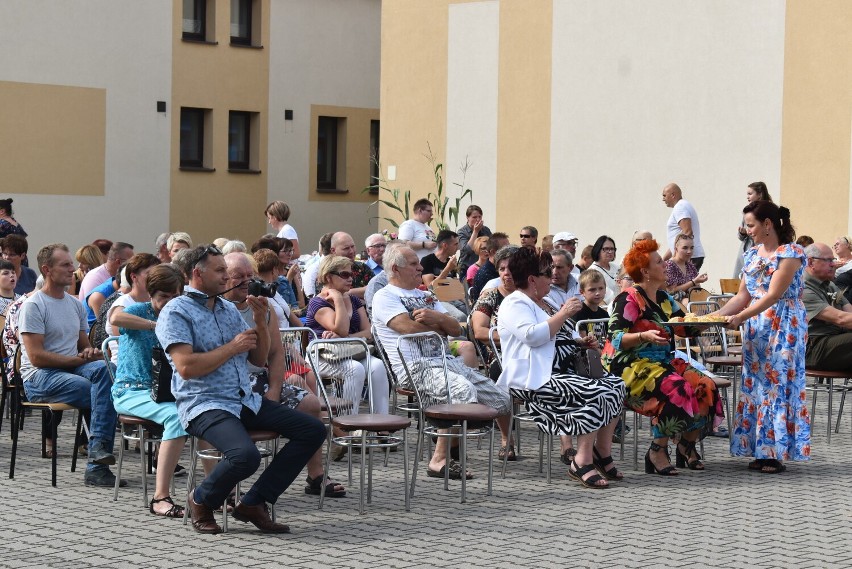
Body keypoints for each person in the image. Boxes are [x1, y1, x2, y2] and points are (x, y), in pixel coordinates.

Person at [157, 244, 325, 534]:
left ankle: (254, 502)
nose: (226, 277)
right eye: (220, 270)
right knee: (245, 456)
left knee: (313, 429)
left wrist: (260, 323)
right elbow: (185, 367)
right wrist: (231, 347)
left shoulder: (226, 308)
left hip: (243, 399)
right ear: (198, 273)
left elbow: (257, 360)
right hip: (204, 403)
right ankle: (201, 499)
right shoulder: (176, 311)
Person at [371, 245, 513, 477]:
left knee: (501, 400)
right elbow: (408, 329)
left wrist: (436, 317)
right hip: (414, 366)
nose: (420, 267)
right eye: (414, 264)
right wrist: (439, 327)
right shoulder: (384, 296)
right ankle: (439, 460)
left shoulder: (424, 295)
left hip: (446, 362)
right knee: (461, 392)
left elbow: (456, 328)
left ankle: (453, 441)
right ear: (396, 268)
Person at [497, 247, 625, 488]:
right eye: (548, 272)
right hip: (533, 378)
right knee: (596, 391)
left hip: (559, 372)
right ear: (532, 279)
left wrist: (579, 341)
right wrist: (564, 314)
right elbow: (532, 336)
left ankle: (601, 453)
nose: (553, 276)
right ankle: (582, 461)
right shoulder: (514, 303)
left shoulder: (543, 302)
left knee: (615, 384)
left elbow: (557, 336)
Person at [223, 252, 345, 498]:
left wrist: (274, 390)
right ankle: (226, 486)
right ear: (224, 279)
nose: (247, 281)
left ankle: (315, 474)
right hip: (227, 385)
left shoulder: (262, 306)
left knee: (310, 403)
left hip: (260, 379)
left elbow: (276, 354)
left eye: (251, 275)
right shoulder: (217, 309)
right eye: (240, 277)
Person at [603, 239, 723, 476]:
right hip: (630, 365)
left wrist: (713, 319)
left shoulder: (665, 298)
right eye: (659, 262)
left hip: (663, 361)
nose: (665, 264)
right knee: (676, 387)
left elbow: (685, 329)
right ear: (646, 272)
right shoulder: (628, 298)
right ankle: (656, 450)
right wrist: (643, 336)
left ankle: (685, 445)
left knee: (705, 385)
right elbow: (615, 339)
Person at [716, 201, 809, 473]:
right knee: (755, 384)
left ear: (768, 224)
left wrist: (741, 317)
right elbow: (743, 296)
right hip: (757, 326)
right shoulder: (752, 254)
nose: (748, 230)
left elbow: (773, 295)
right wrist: (715, 317)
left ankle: (775, 452)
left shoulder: (790, 253)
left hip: (784, 324)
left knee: (778, 384)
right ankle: (758, 449)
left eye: (751, 225)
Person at [19, 243, 122, 487]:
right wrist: (76, 360)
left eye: (71, 264)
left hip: (70, 369)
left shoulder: (75, 304)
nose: (72, 269)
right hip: (40, 376)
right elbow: (36, 357)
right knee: (100, 391)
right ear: (47, 269)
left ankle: (96, 453)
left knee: (108, 370)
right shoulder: (34, 305)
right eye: (65, 265)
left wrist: (90, 352)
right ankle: (97, 462)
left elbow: (81, 346)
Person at [111, 264, 187, 517]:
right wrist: (155, 325)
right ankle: (160, 497)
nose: (169, 302)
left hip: (167, 390)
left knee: (204, 411)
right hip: (132, 391)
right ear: (152, 295)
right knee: (176, 416)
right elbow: (115, 319)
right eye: (163, 297)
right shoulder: (138, 310)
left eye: (174, 296)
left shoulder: (181, 316)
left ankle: (216, 492)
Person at [305, 255, 389, 417]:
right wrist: (337, 299)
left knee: (378, 366)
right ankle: (348, 424)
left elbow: (368, 332)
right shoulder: (317, 302)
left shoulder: (353, 300)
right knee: (355, 370)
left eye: (352, 275)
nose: (350, 279)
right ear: (328, 277)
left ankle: (381, 424)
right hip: (322, 355)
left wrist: (346, 337)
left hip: (351, 351)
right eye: (344, 275)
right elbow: (341, 328)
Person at [801, 242, 852, 371]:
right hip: (814, 347)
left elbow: (848, 311)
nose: (833, 264)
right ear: (811, 262)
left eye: (833, 260)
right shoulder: (802, 289)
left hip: (834, 341)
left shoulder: (829, 284)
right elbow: (841, 319)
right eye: (828, 260)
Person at [470, 246, 518, 377]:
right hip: (500, 354)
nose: (506, 273)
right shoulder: (490, 296)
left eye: (511, 268)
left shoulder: (531, 295)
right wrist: (520, 340)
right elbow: (480, 332)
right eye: (502, 269)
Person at [662, 183, 705, 270]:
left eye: (664, 195)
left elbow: (687, 232)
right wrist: (664, 259)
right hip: (688, 256)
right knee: (689, 282)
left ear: (673, 195)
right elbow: (679, 240)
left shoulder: (680, 207)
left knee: (684, 283)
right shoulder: (682, 205)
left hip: (687, 257)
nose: (663, 199)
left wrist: (676, 257)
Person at [735, 182, 773, 277]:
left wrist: (750, 232)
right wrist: (742, 233)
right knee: (742, 278)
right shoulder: (747, 211)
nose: (747, 197)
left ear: (759, 194)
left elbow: (769, 232)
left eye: (750, 194)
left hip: (760, 251)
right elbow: (740, 236)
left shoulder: (768, 210)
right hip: (746, 249)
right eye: (747, 194)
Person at [328, 232, 372, 298]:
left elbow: (375, 288)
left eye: (352, 246)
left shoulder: (362, 268)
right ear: (333, 250)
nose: (351, 251)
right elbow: (327, 295)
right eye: (346, 248)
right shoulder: (328, 270)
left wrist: (349, 293)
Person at [665, 234, 708, 301]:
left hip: (692, 301)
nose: (689, 251)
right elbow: (671, 291)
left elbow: (698, 289)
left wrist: (698, 282)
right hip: (675, 303)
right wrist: (693, 282)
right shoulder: (669, 265)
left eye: (692, 248)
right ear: (676, 249)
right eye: (685, 248)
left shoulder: (690, 266)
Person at [469, 233, 510, 304]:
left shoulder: (500, 269)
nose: (509, 252)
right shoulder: (485, 275)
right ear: (493, 252)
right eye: (505, 249)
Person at [456, 205, 492, 277]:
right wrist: (475, 232)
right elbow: (467, 250)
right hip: (467, 268)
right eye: (474, 217)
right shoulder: (461, 232)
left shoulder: (486, 230)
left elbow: (492, 246)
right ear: (467, 218)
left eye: (480, 217)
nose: (478, 220)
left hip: (484, 266)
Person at [588, 235, 619, 304]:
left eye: (612, 249)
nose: (610, 252)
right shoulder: (592, 272)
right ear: (598, 250)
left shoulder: (617, 267)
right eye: (606, 249)